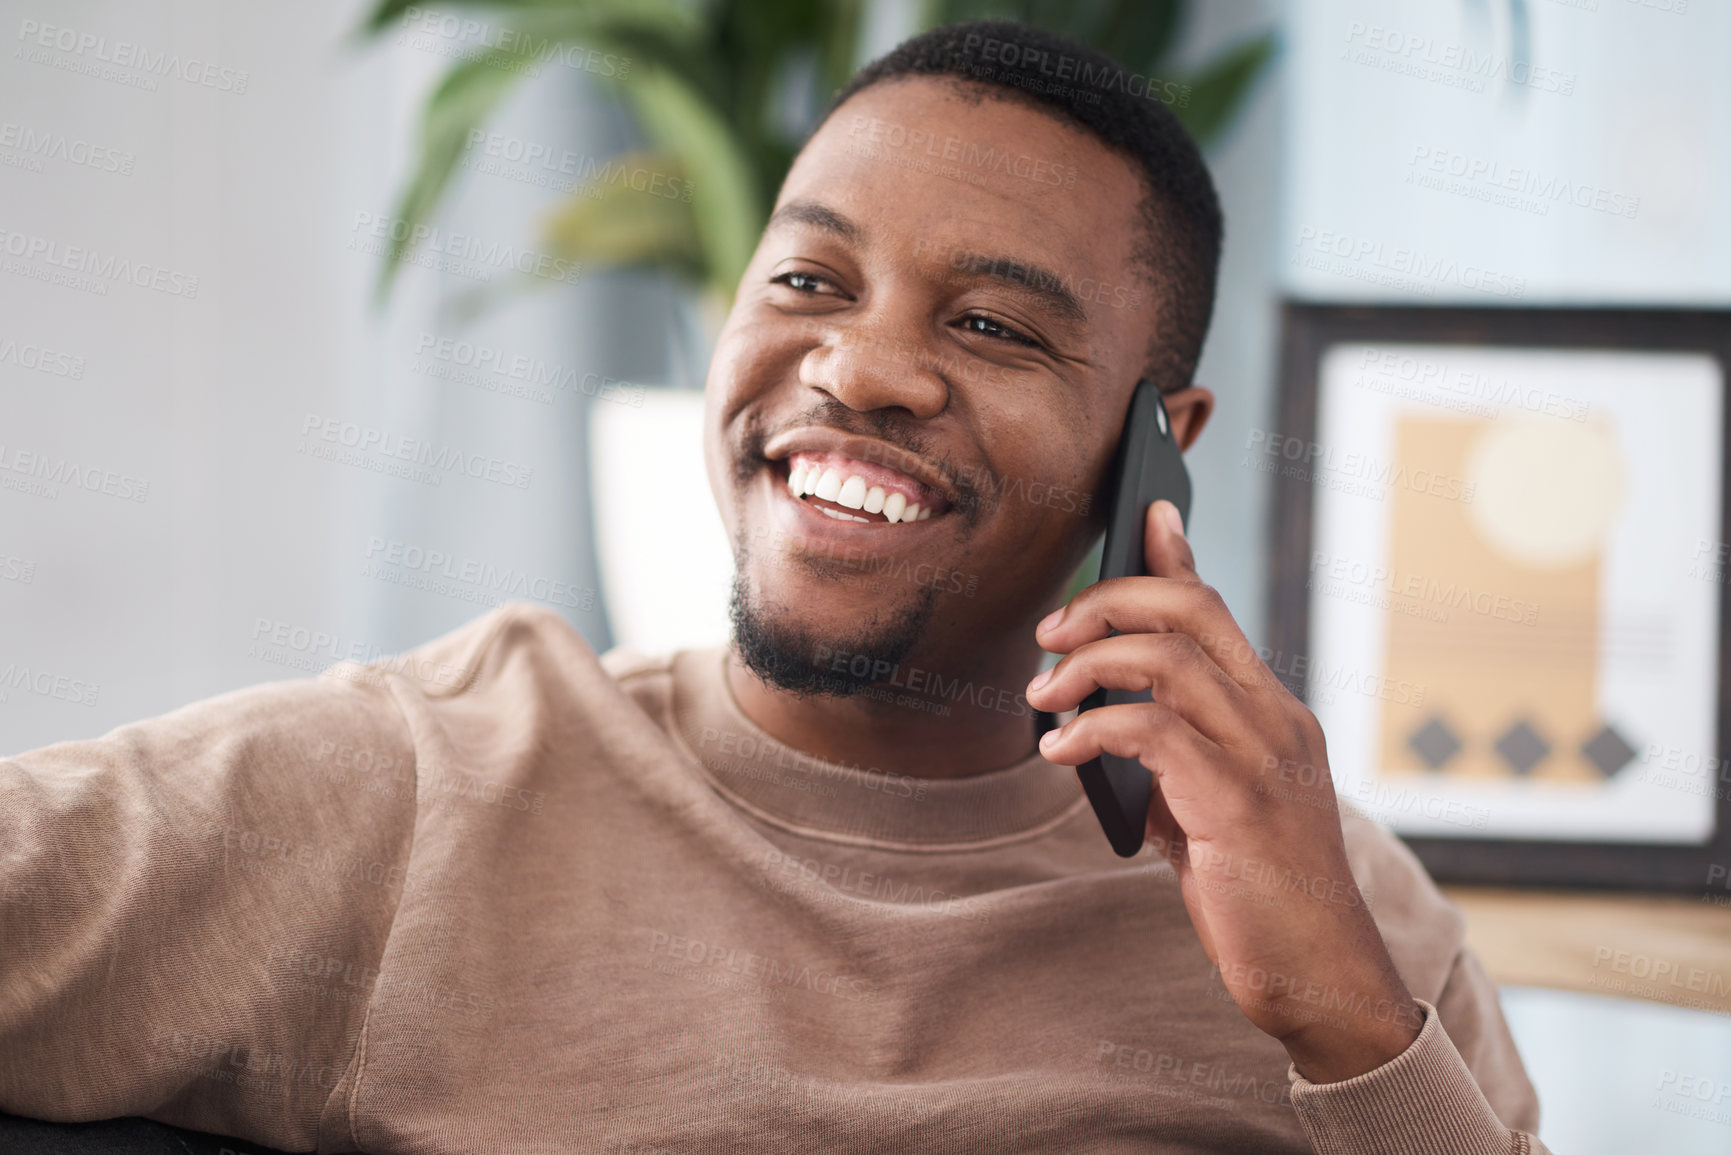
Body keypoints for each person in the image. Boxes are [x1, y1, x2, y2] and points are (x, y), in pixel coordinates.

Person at [0, 20, 1545, 1155]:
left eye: (997, 327)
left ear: (1158, 444)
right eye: (808, 281)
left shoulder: (1343, 910)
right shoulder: (431, 789)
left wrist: (1345, 1022)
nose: (861, 368)